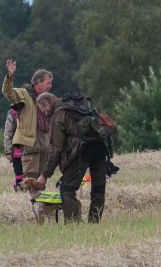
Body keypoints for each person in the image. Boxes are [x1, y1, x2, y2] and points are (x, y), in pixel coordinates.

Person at [37, 93, 111, 224]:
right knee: (98, 189)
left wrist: (45, 174)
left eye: (42, 109)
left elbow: (56, 149)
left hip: (81, 151)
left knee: (67, 189)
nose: (43, 113)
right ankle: (94, 222)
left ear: (47, 104)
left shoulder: (59, 114)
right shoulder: (83, 106)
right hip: (100, 147)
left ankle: (73, 224)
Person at [2, 59, 53, 179]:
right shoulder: (24, 95)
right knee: (29, 181)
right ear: (38, 83)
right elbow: (7, 92)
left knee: (40, 183)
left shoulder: (48, 100)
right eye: (48, 83)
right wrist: (10, 76)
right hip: (29, 148)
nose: (50, 86)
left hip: (44, 148)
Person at [3, 99, 25, 191]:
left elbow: (8, 134)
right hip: (20, 149)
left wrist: (8, 152)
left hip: (18, 149)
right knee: (21, 174)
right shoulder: (13, 114)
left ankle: (20, 189)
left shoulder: (12, 113)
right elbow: (8, 133)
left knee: (19, 173)